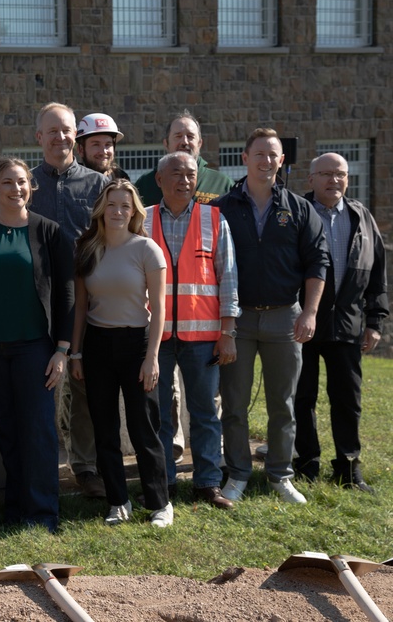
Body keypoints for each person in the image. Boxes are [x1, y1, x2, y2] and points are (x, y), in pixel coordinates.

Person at [211, 128, 329, 504]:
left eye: (273, 155)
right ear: (244, 159)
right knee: (234, 402)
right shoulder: (221, 207)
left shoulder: (299, 208)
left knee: (284, 403)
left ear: (282, 161)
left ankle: (279, 474)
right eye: (258, 154)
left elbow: (317, 262)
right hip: (237, 320)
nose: (266, 161)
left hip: (284, 318)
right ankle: (239, 474)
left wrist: (309, 312)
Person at [0, 157, 74, 531]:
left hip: (35, 349)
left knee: (38, 431)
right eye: (7, 182)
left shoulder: (49, 232)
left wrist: (61, 349)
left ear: (31, 187)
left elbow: (66, 294)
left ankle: (43, 514)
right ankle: (16, 510)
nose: (16, 189)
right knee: (7, 431)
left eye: (22, 182)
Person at [70, 179, 172, 527]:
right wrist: (76, 353)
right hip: (97, 346)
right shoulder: (87, 248)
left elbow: (159, 310)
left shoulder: (147, 249)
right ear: (101, 208)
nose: (117, 211)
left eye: (125, 206)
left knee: (143, 427)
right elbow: (81, 307)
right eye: (111, 204)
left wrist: (152, 357)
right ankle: (118, 502)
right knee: (105, 428)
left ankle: (160, 504)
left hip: (137, 344)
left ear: (134, 212)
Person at [143, 152, 240, 511]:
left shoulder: (214, 219)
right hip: (158, 338)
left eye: (190, 174)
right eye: (176, 173)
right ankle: (162, 481)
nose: (184, 180)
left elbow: (227, 276)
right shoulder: (145, 219)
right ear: (159, 179)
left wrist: (227, 329)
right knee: (159, 413)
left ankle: (208, 483)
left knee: (203, 413)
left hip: (203, 338)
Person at [27, 102, 109, 499]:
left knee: (85, 385)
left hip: (89, 301)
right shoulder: (23, 184)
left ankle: (86, 466)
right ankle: (43, 466)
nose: (61, 138)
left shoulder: (96, 186)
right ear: (38, 137)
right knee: (44, 386)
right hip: (38, 302)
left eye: (66, 131)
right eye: (52, 131)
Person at [294, 152, 387, 492]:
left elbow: (377, 274)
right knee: (302, 397)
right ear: (311, 179)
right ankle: (306, 463)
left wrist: (375, 321)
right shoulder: (298, 213)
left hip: (347, 325)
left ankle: (348, 468)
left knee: (347, 399)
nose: (334, 180)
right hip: (302, 324)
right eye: (326, 174)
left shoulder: (361, 216)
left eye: (341, 174)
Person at [135, 110, 235, 207]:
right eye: (178, 136)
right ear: (166, 143)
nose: (184, 142)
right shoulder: (146, 184)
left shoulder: (222, 184)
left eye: (190, 136)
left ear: (199, 144)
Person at [75, 113, 130, 180]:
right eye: (96, 144)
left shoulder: (122, 179)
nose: (103, 151)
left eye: (108, 144)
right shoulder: (71, 182)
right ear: (80, 149)